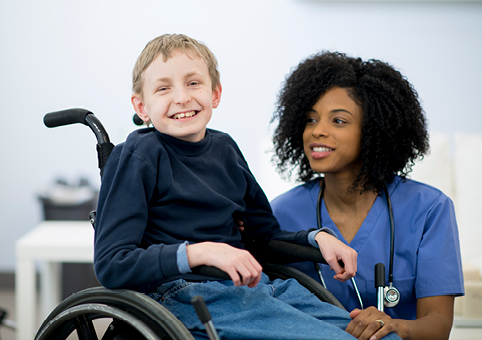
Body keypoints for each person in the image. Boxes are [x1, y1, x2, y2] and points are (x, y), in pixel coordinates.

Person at [93, 34, 399, 340]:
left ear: (215, 93)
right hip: (184, 295)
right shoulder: (138, 155)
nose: (182, 97)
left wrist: (316, 238)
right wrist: (204, 252)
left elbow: (262, 237)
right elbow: (112, 264)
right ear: (141, 106)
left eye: (193, 83)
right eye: (163, 88)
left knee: (384, 337)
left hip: (255, 288)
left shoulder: (226, 149)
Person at [269, 51, 464, 340]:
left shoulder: (429, 210)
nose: (317, 131)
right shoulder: (281, 214)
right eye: (310, 119)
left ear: (374, 130)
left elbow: (438, 326)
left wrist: (397, 326)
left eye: (338, 121)